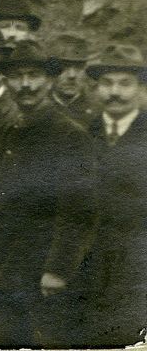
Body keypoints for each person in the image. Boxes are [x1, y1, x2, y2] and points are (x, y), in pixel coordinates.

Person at [0, 41, 96, 348]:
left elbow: (78, 212)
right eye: (17, 76)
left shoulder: (69, 135)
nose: (25, 85)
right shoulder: (9, 128)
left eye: (34, 75)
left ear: (50, 80)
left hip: (38, 275)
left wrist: (57, 270)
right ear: (7, 81)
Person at [81, 42, 147, 347]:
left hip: (138, 262)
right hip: (88, 261)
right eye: (106, 83)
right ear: (96, 89)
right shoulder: (82, 133)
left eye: (124, 83)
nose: (114, 92)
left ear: (140, 88)